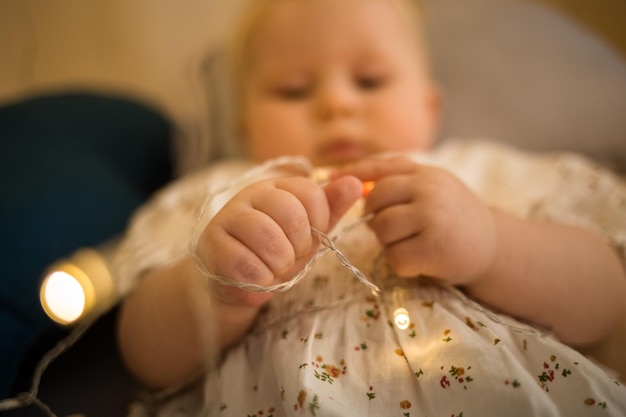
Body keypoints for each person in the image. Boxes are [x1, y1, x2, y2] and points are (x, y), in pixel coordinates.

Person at [114, 0, 626, 415]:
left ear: (429, 107)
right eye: (293, 89)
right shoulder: (220, 196)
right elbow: (142, 352)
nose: (336, 103)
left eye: (370, 81)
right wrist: (215, 286)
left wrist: (492, 244)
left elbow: (608, 298)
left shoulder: (483, 174)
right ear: (244, 127)